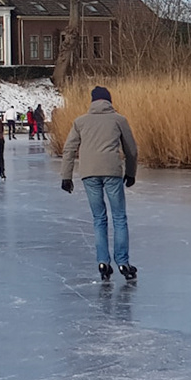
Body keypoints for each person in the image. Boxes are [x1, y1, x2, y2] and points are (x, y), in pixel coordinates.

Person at [61, 85, 140, 281]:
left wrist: (66, 177)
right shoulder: (119, 120)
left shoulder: (80, 122)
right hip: (112, 172)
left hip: (89, 174)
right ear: (109, 101)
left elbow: (69, 149)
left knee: (99, 218)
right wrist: (130, 173)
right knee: (119, 217)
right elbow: (131, 150)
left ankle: (102, 262)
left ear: (92, 102)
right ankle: (122, 262)